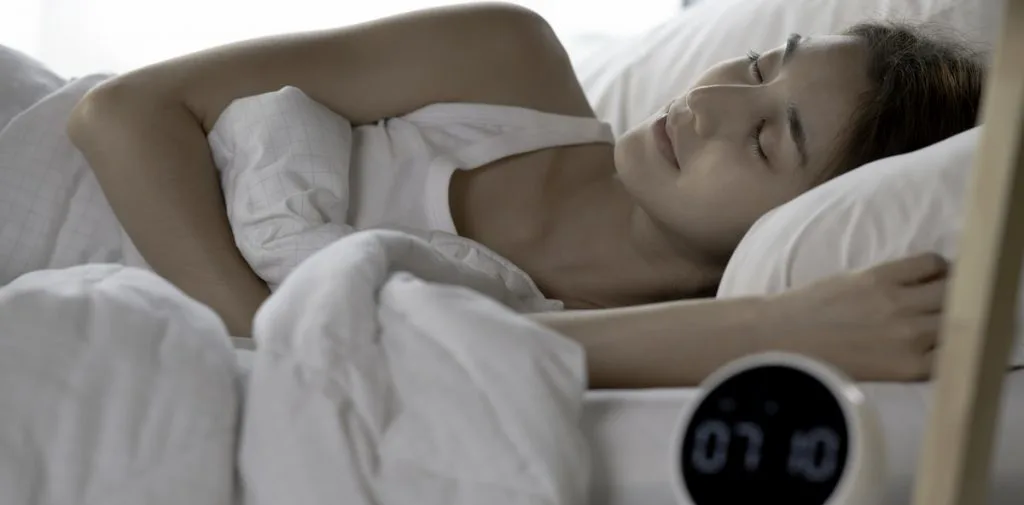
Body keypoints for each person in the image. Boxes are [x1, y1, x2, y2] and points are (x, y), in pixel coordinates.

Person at [65, 3, 984, 388]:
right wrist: (257, 325)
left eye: (770, 136)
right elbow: (119, 113)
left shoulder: (599, 341)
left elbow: (462, 352)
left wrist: (775, 326)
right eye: (753, 67)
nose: (708, 105)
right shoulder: (509, 60)